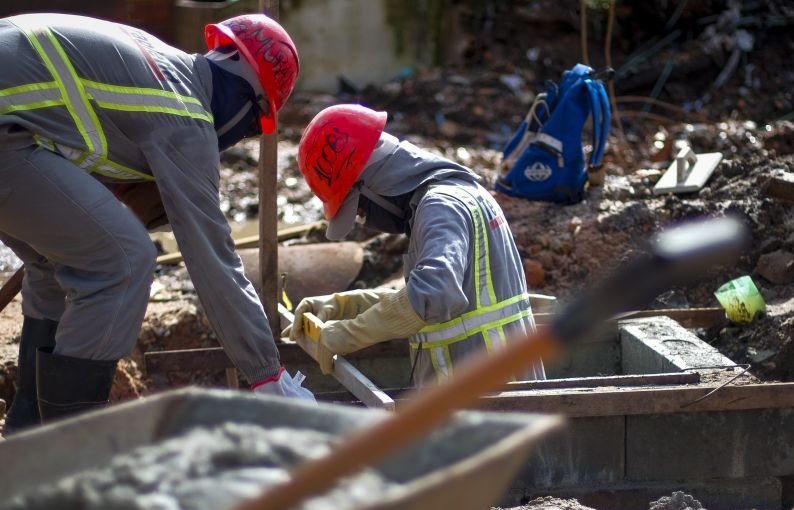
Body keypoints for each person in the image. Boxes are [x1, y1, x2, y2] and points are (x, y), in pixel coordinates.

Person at [0, 12, 314, 436]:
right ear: (247, 102)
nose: (241, 137)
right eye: (254, 127)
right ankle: (65, 455)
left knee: (56, 262)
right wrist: (268, 376)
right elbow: (213, 259)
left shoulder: (159, 61)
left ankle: (27, 431)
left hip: (15, 125)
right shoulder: (187, 115)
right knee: (123, 261)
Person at [286, 104, 546, 387]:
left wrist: (349, 333)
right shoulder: (453, 197)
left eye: (360, 209)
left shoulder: (441, 206)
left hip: (491, 399)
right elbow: (449, 299)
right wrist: (349, 306)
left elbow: (435, 294)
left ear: (372, 185)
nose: (365, 219)